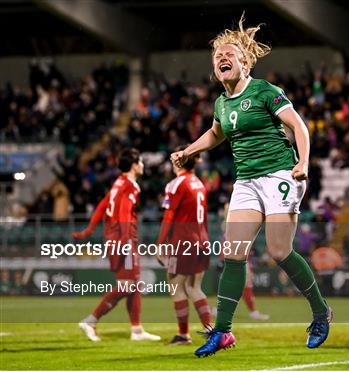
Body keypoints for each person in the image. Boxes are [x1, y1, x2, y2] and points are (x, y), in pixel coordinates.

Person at [171, 15, 331, 357]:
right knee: (232, 253)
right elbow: (216, 133)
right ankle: (223, 332)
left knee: (278, 252)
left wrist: (303, 162)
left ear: (245, 62)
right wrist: (189, 150)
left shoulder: (264, 91)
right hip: (247, 181)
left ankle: (320, 311)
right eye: (217, 58)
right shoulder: (221, 102)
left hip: (279, 176)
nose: (222, 59)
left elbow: (299, 127)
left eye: (229, 54)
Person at [73, 148, 160, 342]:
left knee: (134, 285)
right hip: (124, 239)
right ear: (135, 165)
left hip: (114, 238)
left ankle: (136, 330)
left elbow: (102, 206)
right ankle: (91, 320)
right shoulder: (131, 185)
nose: (143, 165)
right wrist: (124, 242)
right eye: (141, 162)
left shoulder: (118, 183)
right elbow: (124, 212)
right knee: (126, 286)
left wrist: (88, 230)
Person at [156, 147, 213, 345]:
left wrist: (160, 244)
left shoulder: (176, 184)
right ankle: (211, 331)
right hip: (202, 240)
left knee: (176, 287)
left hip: (183, 243)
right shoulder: (199, 184)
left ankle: (183, 334)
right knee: (194, 287)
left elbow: (169, 216)